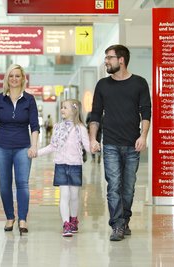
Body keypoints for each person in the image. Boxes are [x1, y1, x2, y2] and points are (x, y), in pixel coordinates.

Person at [89, 44, 151, 241]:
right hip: (111, 144)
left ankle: (124, 220)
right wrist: (92, 138)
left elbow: (146, 112)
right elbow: (96, 114)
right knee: (113, 185)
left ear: (121, 60)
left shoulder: (139, 83)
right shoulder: (102, 85)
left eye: (109, 57)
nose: (106, 61)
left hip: (133, 144)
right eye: (106, 58)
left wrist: (143, 136)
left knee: (128, 187)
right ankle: (116, 225)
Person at [0, 64, 39, 235]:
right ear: (7, 79)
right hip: (1, 148)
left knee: (22, 184)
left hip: (23, 148)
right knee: (5, 185)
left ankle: (22, 218)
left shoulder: (29, 99)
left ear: (23, 79)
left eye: (18, 76)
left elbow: (35, 125)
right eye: (11, 76)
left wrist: (34, 146)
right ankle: (10, 217)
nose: (14, 79)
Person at [37, 99, 90, 237]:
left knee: (74, 196)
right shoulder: (57, 127)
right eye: (61, 107)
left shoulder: (81, 128)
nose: (62, 110)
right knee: (64, 195)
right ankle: (66, 224)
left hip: (75, 165)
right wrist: (37, 153)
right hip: (60, 164)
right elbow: (53, 146)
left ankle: (73, 220)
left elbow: (88, 147)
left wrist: (97, 148)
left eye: (65, 107)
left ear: (74, 110)